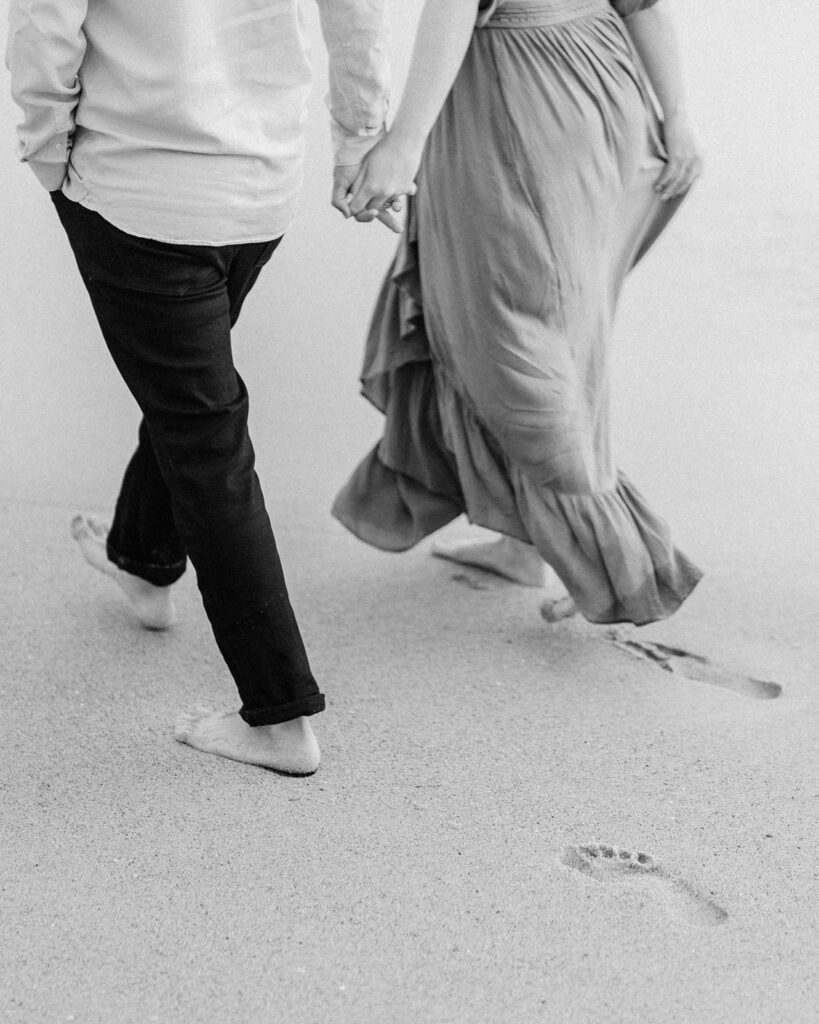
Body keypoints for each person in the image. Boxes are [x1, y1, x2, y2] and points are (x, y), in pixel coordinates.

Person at [7, 0, 395, 774]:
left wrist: (47, 149)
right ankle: (143, 561)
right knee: (190, 397)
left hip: (137, 187)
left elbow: (45, 23)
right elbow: (357, 11)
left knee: (204, 434)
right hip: (259, 187)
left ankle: (280, 717)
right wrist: (358, 139)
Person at [333, 0, 705, 627]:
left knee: (511, 329)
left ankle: (614, 564)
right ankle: (523, 542)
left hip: (520, 99)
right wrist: (681, 116)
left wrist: (404, 142)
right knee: (548, 323)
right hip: (596, 79)